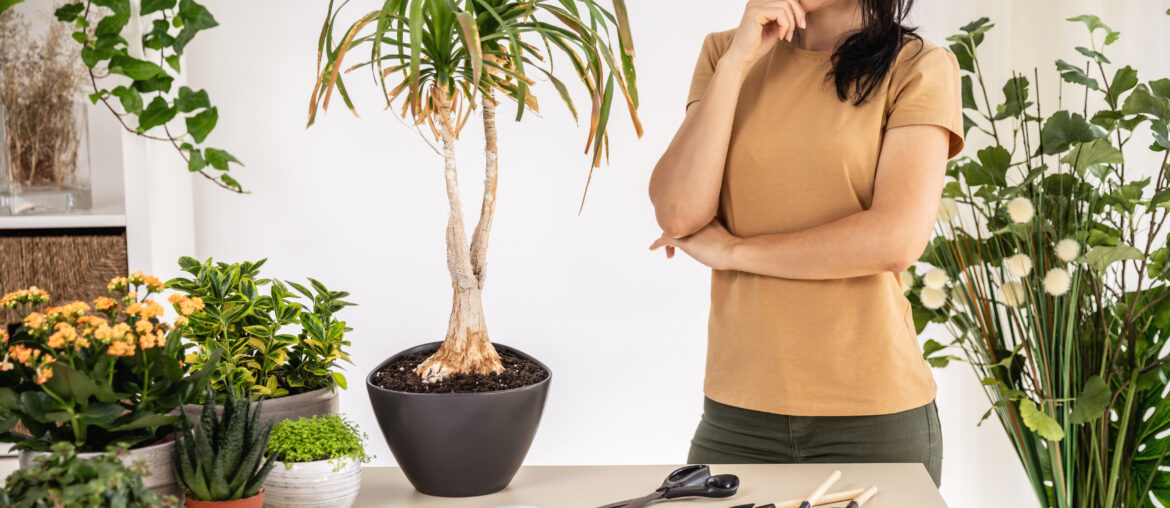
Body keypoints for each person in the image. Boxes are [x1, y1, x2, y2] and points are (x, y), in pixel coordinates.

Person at [648, 0, 963, 486]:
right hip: (736, 416)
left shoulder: (917, 66)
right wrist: (737, 63)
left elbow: (894, 239)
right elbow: (678, 212)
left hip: (874, 421)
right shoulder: (723, 52)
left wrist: (734, 252)